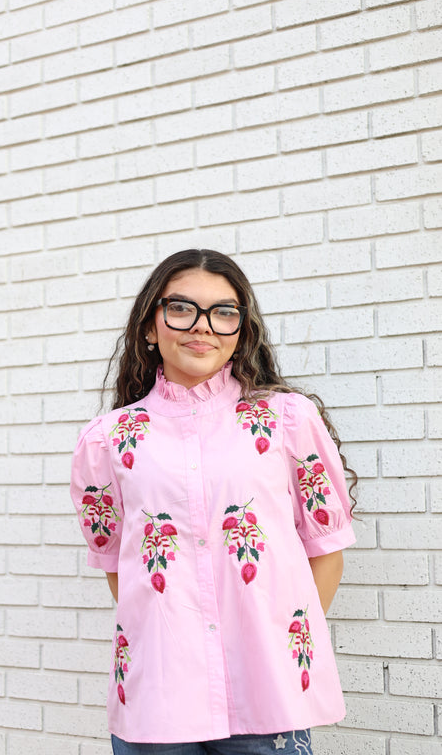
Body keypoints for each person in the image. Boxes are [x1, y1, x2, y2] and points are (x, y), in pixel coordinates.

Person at [70, 249, 357, 755]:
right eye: (181, 308)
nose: (202, 326)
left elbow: (326, 547)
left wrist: (280, 641)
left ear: (241, 331)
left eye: (224, 312)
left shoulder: (287, 420)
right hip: (157, 694)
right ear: (150, 327)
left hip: (268, 690)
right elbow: (118, 562)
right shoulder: (108, 439)